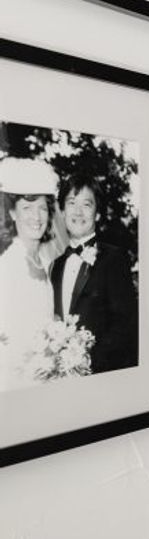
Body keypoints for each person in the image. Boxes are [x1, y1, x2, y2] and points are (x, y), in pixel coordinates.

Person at [49, 174, 138, 375]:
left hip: (101, 374)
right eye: (71, 203)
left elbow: (125, 325)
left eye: (87, 205)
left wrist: (85, 360)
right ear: (62, 211)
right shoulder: (55, 266)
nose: (78, 212)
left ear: (97, 214)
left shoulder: (114, 258)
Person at [0, 158, 58, 390]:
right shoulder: (7, 265)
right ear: (13, 213)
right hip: (15, 380)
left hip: (48, 378)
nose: (36, 217)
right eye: (27, 207)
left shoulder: (47, 261)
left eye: (42, 208)